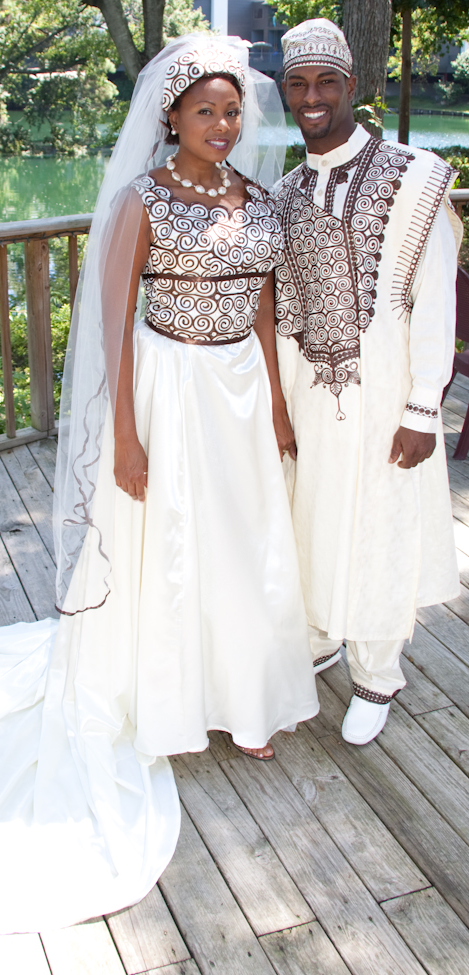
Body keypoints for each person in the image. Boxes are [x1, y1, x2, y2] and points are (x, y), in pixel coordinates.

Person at [0, 35, 318, 936]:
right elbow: (112, 320)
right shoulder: (142, 200)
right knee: (169, 545)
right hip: (170, 388)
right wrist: (126, 435)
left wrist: (280, 405)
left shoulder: (256, 200)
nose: (223, 125)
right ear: (171, 117)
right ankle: (169, 696)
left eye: (232, 111)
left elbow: (262, 304)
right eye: (206, 110)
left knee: (245, 543)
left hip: (241, 396)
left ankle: (247, 696)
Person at [274, 19, 463, 746]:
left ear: (352, 85)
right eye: (298, 84)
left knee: (382, 523)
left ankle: (378, 672)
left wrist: (423, 407)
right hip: (310, 393)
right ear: (286, 91)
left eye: (326, 82)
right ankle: (323, 633)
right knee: (313, 515)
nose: (312, 97)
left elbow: (435, 300)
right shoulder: (285, 192)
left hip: (387, 393)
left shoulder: (415, 177)